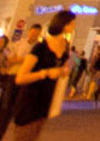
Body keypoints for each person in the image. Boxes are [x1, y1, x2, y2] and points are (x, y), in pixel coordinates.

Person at [6, 11, 77, 141]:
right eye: (72, 23)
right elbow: (20, 77)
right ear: (63, 24)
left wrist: (63, 71)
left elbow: (62, 66)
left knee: (34, 135)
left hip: (47, 99)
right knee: (24, 135)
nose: (74, 27)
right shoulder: (41, 47)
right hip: (31, 98)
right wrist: (46, 73)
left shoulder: (65, 46)